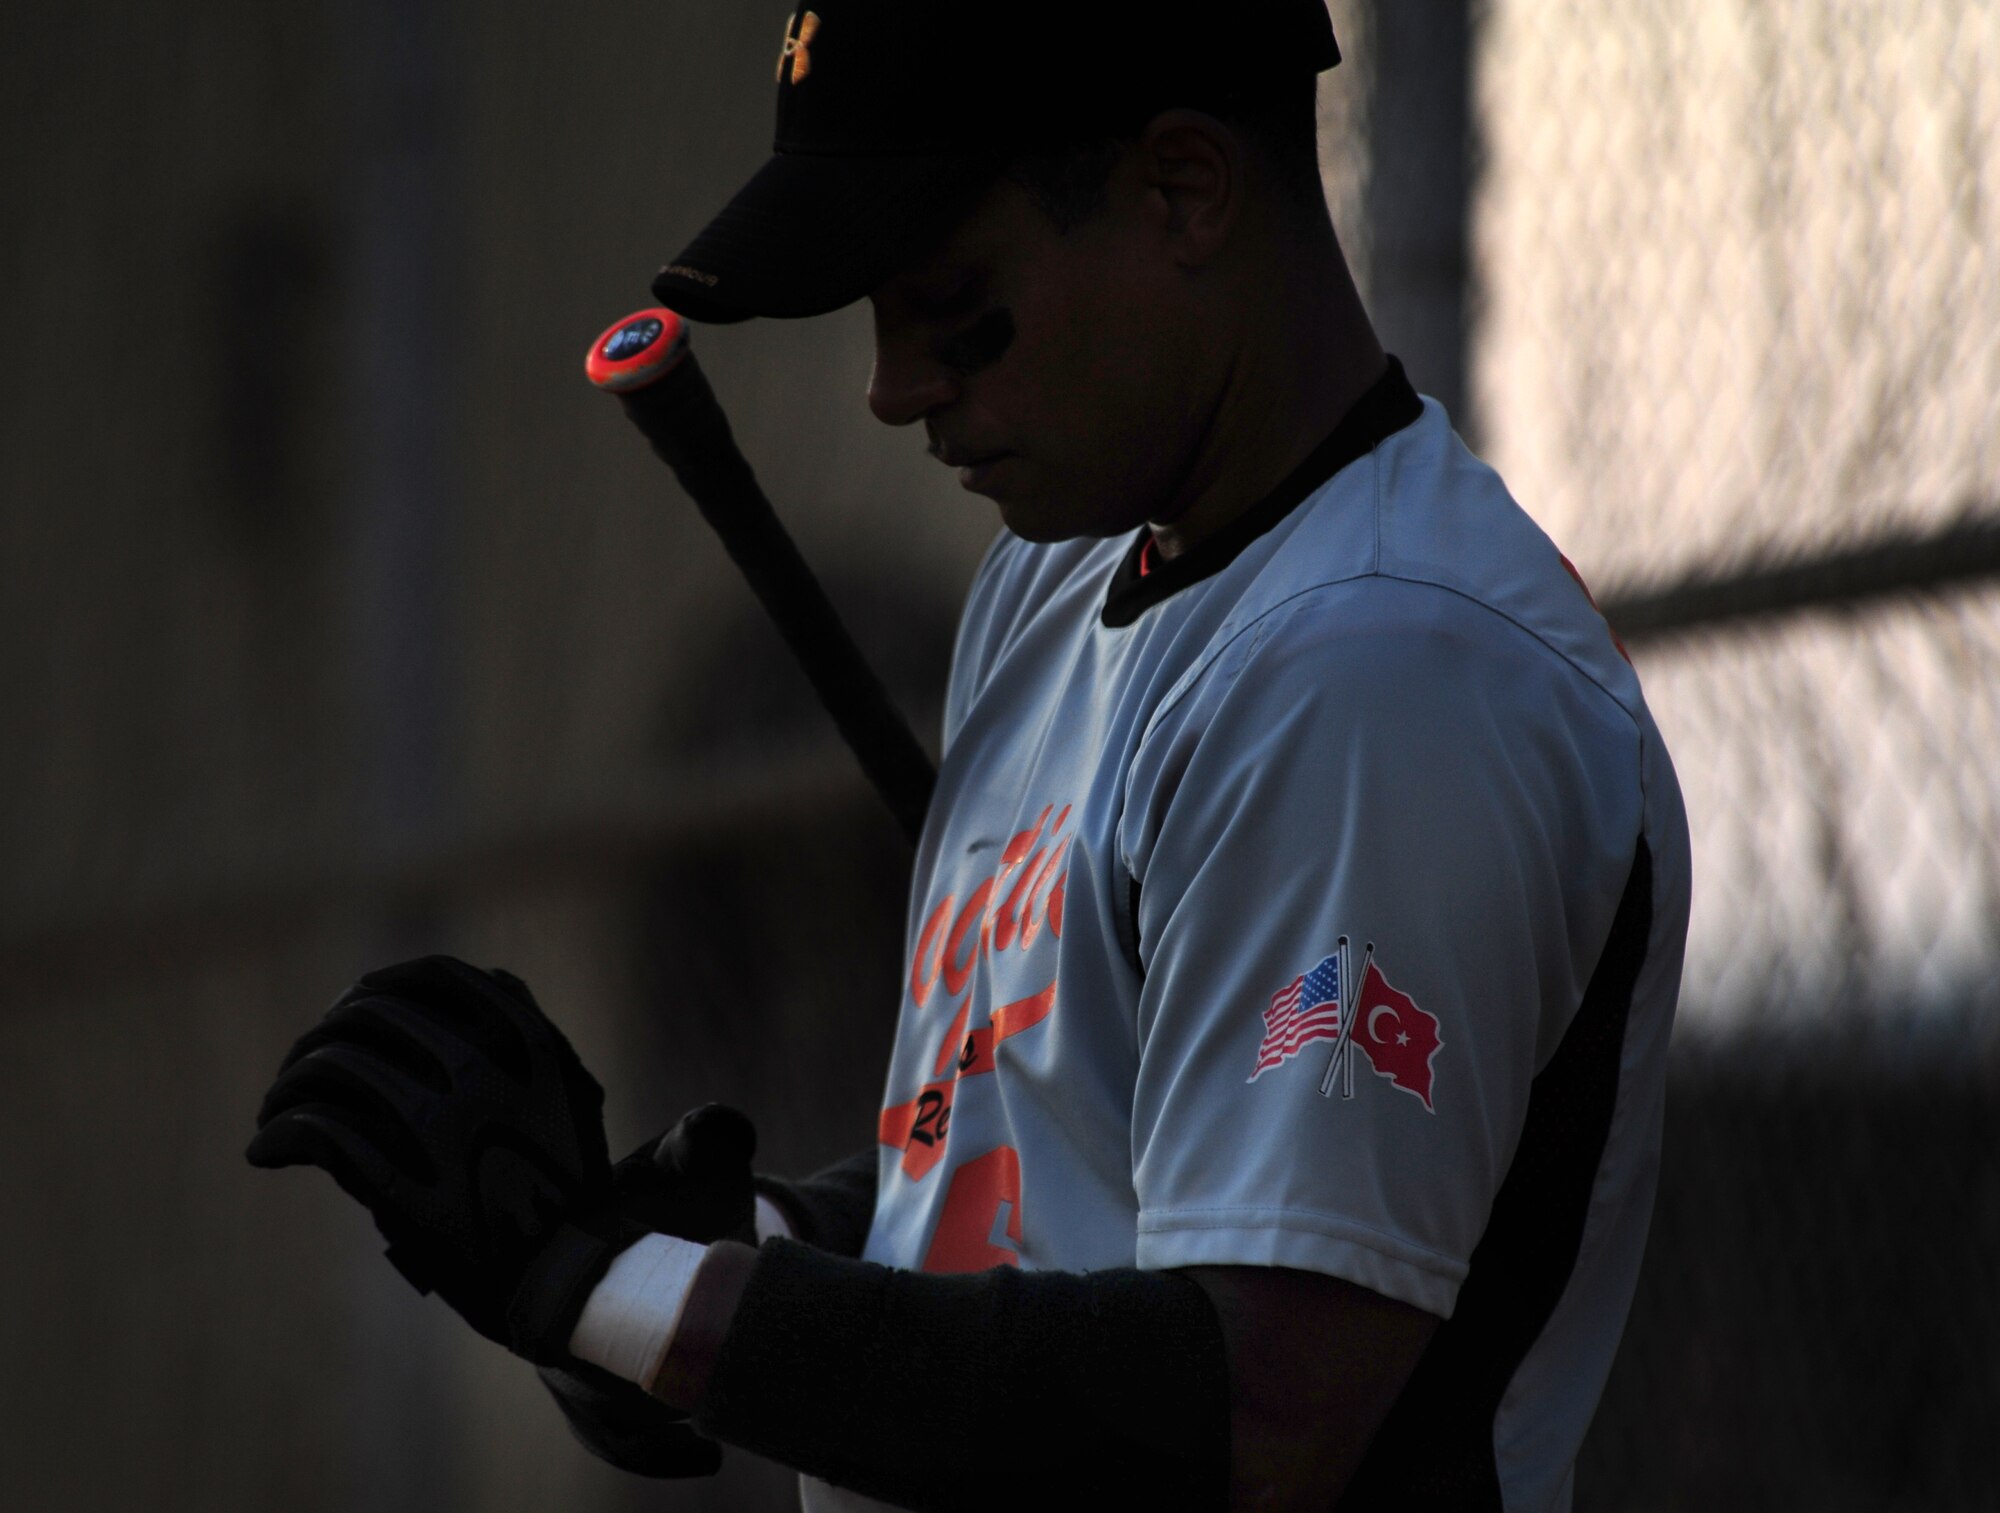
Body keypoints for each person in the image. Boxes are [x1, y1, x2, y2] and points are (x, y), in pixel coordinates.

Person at [247, 3, 1691, 1509]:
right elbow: (1044, 1184)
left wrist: (625, 1300)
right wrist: (743, 1244)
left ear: (1184, 188)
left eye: (952, 299)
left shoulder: (1381, 670)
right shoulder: (1060, 578)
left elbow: (1253, 1407)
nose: (893, 386)